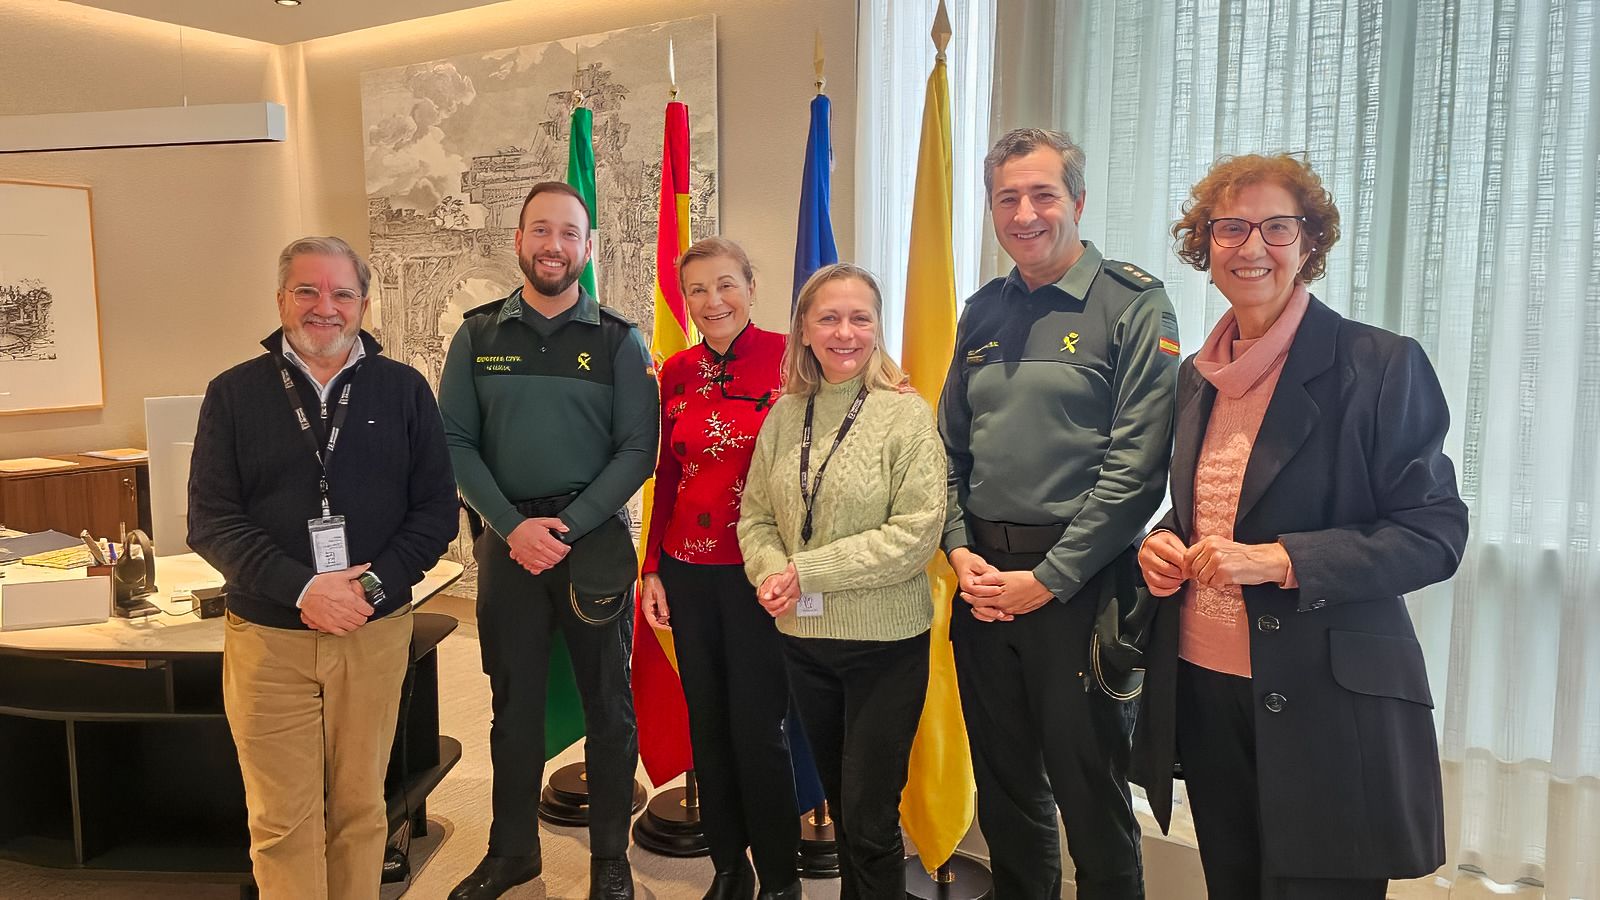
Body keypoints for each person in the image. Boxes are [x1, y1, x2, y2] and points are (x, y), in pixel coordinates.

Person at [1131, 153, 1468, 900]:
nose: (1252, 247)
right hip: (1207, 686)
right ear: (1205, 247)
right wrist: (1162, 541)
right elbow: (1204, 507)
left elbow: (1435, 532)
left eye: (1277, 227)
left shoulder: (1378, 364)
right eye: (1229, 228)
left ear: (1311, 243)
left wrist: (1280, 562)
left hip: (1326, 701)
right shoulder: (1196, 375)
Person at [937, 127, 1181, 899]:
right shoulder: (982, 310)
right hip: (983, 585)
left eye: (1043, 194)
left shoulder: (1133, 303)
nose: (1025, 212)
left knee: (1091, 797)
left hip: (1080, 590)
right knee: (1006, 791)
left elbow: (1137, 469)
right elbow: (947, 448)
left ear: (1077, 200)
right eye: (1007, 197)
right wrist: (955, 550)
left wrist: (1049, 577)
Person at [187, 236, 459, 900]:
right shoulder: (232, 395)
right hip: (270, 639)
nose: (324, 308)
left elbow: (434, 516)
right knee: (283, 820)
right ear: (281, 299)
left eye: (342, 293)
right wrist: (304, 589)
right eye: (307, 291)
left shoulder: (405, 391)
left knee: (363, 811)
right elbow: (211, 521)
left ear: (363, 303)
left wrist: (363, 590)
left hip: (371, 631)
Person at [439, 182, 658, 900]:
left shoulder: (618, 340)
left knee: (609, 705)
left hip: (592, 543)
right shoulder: (476, 336)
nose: (554, 246)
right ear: (518, 242)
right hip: (508, 543)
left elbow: (637, 451)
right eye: (541, 231)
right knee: (514, 704)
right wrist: (512, 526)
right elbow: (455, 443)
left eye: (569, 233)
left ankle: (609, 863)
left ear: (587, 247)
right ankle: (512, 853)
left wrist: (567, 524)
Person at [737, 263, 946, 897]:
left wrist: (806, 570)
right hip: (804, 643)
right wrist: (773, 571)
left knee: (870, 818)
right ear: (803, 328)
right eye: (828, 318)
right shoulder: (785, 413)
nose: (845, 333)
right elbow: (756, 515)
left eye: (861, 318)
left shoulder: (906, 416)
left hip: (884, 650)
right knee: (839, 800)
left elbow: (915, 536)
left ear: (879, 328)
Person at [637, 237, 801, 899]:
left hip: (760, 575)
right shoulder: (674, 372)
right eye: (698, 290)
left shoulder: (796, 358)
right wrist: (651, 568)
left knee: (760, 732)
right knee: (708, 724)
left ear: (751, 287)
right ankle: (730, 868)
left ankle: (782, 880)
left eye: (726, 284)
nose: (713, 301)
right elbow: (667, 474)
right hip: (686, 572)